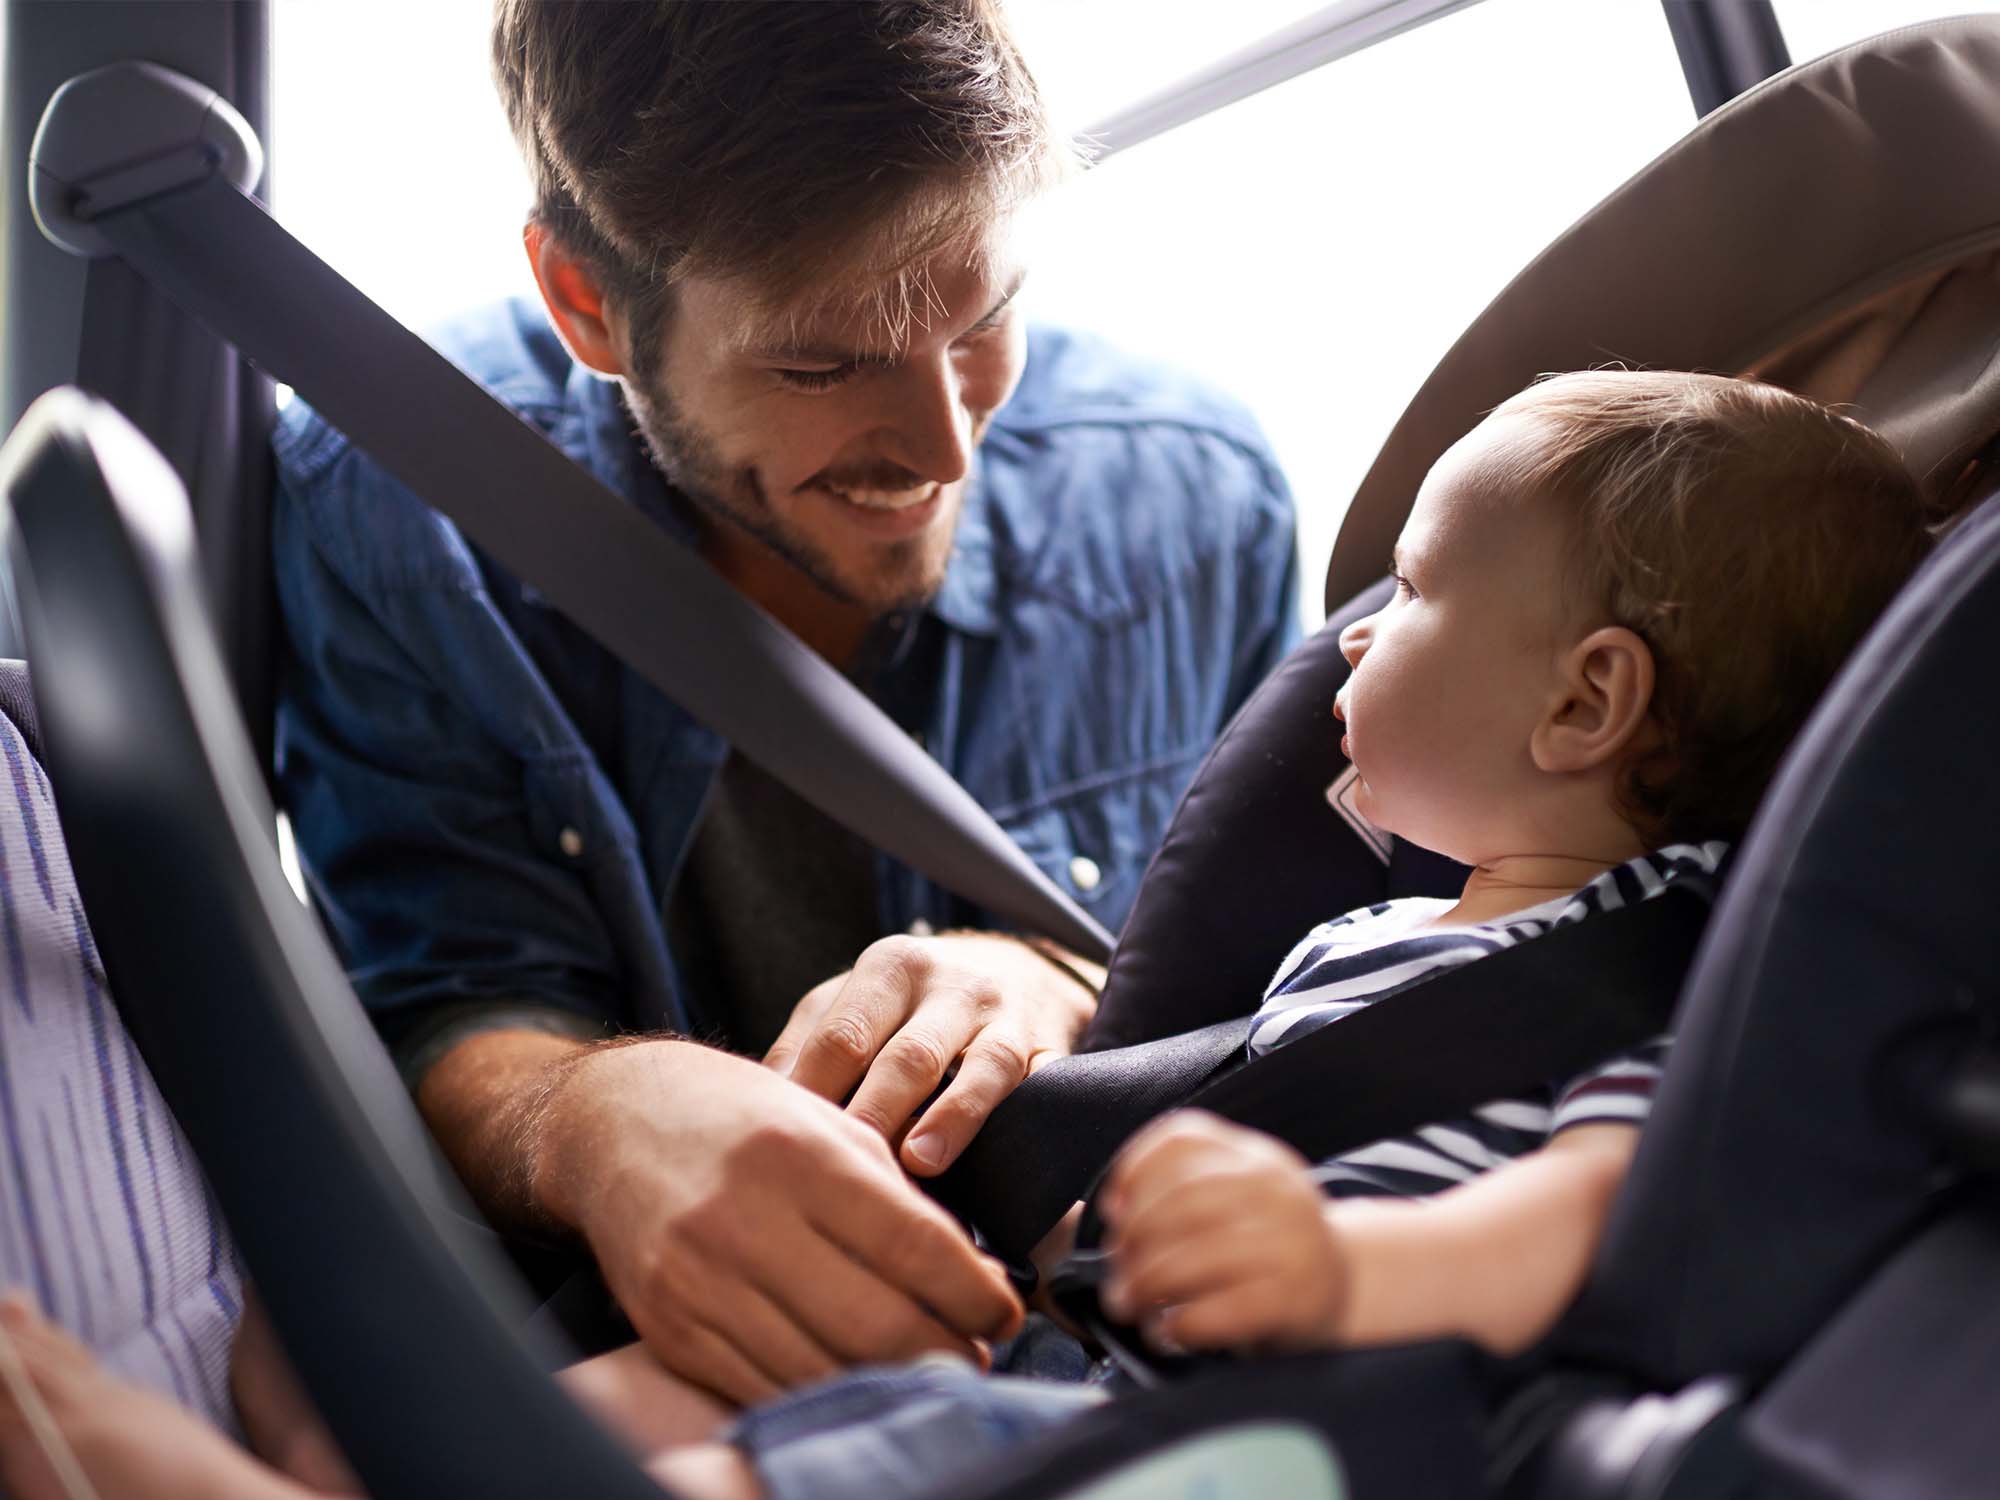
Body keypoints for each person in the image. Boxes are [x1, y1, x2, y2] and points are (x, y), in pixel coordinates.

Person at [0, 370, 1935, 1500]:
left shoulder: (1674, 960)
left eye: (1416, 589)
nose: (1351, 632)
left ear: (1585, 706)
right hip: (1067, 1348)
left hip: (1261, 1423)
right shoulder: (1386, 934)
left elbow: (1611, 1208)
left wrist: (1356, 1269)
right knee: (332, 1372)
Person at [272, 0, 1300, 1403]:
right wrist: (592, 1118)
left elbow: (1317, 960)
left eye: (984, 315)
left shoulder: (1197, 496)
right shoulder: (396, 512)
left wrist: (1064, 981)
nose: (944, 442)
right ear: (588, 304)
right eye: (822, 363)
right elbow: (445, 988)